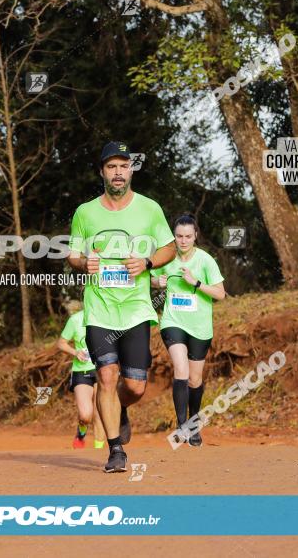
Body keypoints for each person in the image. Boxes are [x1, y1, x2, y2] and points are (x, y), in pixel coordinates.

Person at [67, 141, 176, 473]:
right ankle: (116, 450)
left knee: (134, 386)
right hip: (99, 309)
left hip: (136, 310)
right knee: (106, 376)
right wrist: (83, 262)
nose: (118, 172)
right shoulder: (85, 213)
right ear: (102, 172)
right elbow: (72, 254)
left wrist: (146, 261)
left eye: (123, 166)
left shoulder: (150, 209)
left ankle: (121, 409)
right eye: (111, 166)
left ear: (131, 170)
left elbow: (170, 249)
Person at [151, 213, 225, 446]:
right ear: (174, 236)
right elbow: (149, 277)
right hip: (173, 322)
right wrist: (156, 282)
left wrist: (196, 283)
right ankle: (182, 426)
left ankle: (193, 424)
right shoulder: (166, 258)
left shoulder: (205, 261)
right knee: (180, 369)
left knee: (195, 379)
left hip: (200, 327)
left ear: (195, 236)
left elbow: (220, 294)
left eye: (188, 236)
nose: (183, 241)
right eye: (179, 236)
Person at [56, 300, 106, 449]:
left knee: (100, 414)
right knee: (86, 415)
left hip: (101, 370)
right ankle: (81, 434)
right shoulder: (75, 319)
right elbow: (61, 343)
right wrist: (75, 352)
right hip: (81, 371)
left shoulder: (106, 317)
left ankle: (99, 451)